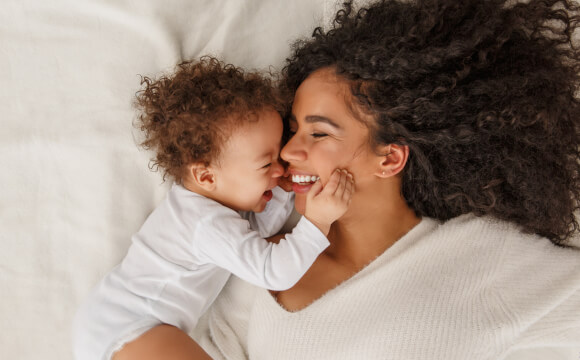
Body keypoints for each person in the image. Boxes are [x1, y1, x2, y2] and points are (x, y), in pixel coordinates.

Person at [106, 0, 580, 359]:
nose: (290, 152)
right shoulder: (258, 251)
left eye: (319, 132)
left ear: (390, 158)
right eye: (292, 130)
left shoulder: (480, 254)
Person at [72, 57, 354, 360]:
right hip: (130, 326)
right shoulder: (204, 223)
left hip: (119, 324)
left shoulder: (210, 207)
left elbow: (259, 236)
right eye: (266, 163)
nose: (281, 166)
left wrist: (282, 192)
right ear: (206, 176)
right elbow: (273, 270)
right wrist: (317, 222)